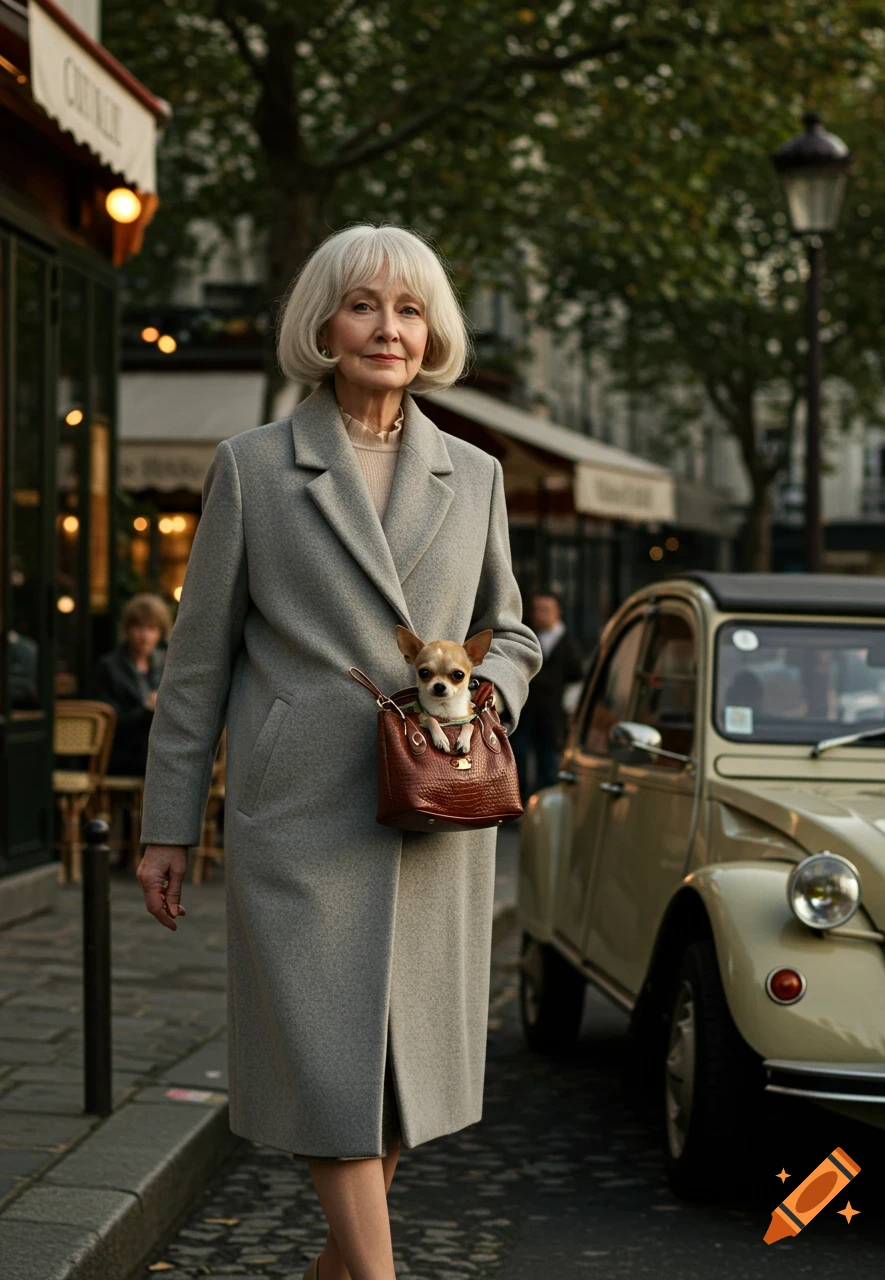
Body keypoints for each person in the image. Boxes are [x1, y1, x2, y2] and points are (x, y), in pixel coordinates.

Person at [135, 224, 542, 1280]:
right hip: (300, 812)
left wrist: (478, 701)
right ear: (322, 321)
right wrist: (168, 825)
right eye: (364, 305)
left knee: (397, 1085)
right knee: (328, 1074)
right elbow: (195, 664)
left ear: (433, 331)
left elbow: (516, 627)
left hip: (434, 814)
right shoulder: (254, 468)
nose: (388, 329)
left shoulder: (477, 472)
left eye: (409, 310)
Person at [511, 592, 584, 801]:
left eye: (545, 610)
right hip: (525, 711)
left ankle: (545, 803)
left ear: (558, 612)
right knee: (518, 758)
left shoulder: (569, 643)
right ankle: (517, 803)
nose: (540, 615)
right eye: (536, 610)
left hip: (553, 715)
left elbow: (577, 679)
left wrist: (570, 708)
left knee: (548, 761)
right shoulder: (526, 638)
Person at [88, 593, 170, 776]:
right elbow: (108, 720)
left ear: (160, 632)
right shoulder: (109, 666)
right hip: (124, 751)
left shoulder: (165, 665)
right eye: (138, 627)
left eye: (151, 628)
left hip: (159, 749)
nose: (144, 636)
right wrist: (145, 709)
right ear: (127, 629)